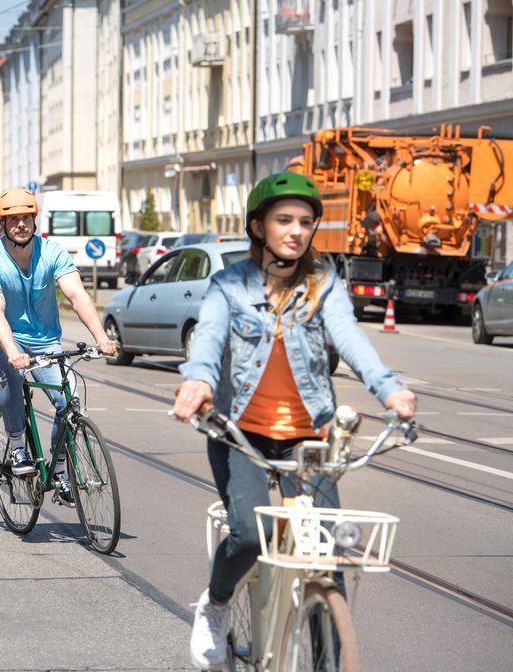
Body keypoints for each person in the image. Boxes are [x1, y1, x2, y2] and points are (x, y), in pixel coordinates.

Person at [170, 172, 418, 670]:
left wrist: (390, 388)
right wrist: (197, 382)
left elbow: (350, 340)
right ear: (259, 226)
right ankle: (216, 606)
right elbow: (210, 338)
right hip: (240, 433)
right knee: (246, 533)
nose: (295, 230)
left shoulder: (323, 284)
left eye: (305, 222)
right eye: (284, 220)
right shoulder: (229, 285)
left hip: (308, 439)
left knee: (329, 557)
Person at [0, 188, 118, 505]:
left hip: (46, 341)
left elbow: (77, 296)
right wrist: (12, 353)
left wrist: (101, 337)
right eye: (14, 220)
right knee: (13, 375)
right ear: (3, 224)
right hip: (3, 339)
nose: (21, 225)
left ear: (34, 221)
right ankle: (16, 445)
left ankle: (61, 471)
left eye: (26, 218)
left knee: (71, 402)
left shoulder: (52, 253)